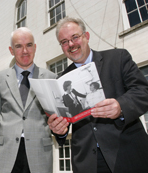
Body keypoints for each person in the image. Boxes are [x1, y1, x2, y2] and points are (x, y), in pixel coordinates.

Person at [48, 16, 148, 173]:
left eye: (75, 37)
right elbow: (64, 118)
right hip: (87, 163)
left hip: (127, 154)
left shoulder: (118, 58)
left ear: (86, 37)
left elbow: (143, 91)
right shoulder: (60, 81)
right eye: (64, 42)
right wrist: (58, 130)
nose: (71, 44)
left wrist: (121, 107)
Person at [0, 27, 56, 173]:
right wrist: (8, 133)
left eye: (29, 45)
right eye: (18, 46)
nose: (25, 51)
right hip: (6, 152)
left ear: (35, 47)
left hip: (39, 153)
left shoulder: (51, 78)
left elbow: (55, 115)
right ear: (11, 50)